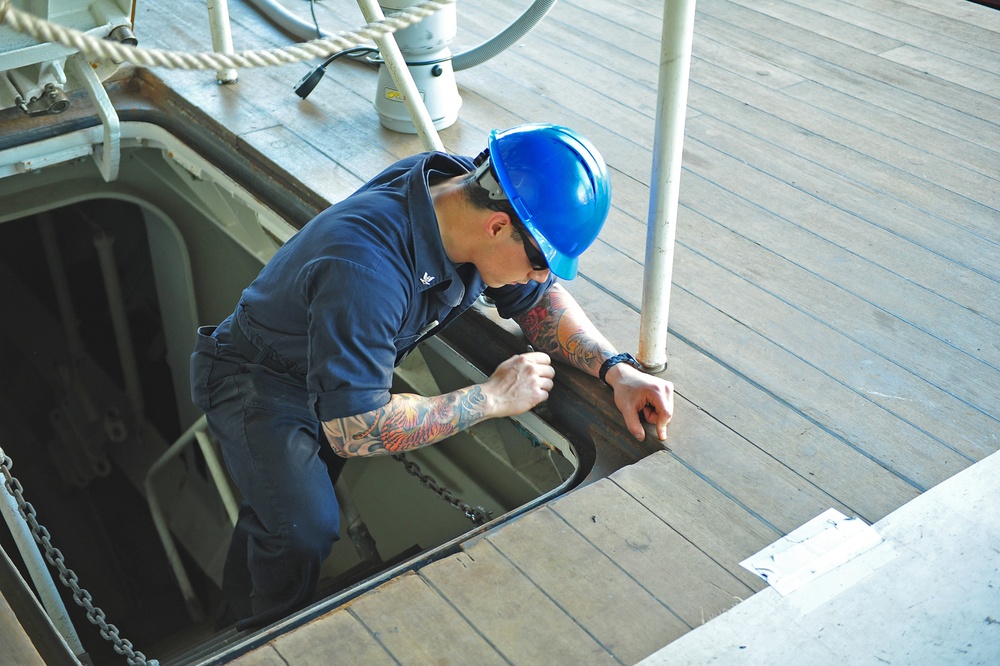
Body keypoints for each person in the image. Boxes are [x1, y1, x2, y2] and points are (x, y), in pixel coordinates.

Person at [190, 123, 674, 630]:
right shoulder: (366, 269)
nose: (538, 275)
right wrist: (490, 398)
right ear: (497, 226)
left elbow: (538, 304)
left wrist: (616, 370)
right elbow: (357, 427)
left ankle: (241, 606)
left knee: (277, 511)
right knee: (301, 528)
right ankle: (259, 638)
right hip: (258, 380)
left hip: (327, 366)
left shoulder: (456, 193)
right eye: (537, 260)